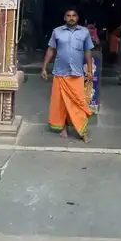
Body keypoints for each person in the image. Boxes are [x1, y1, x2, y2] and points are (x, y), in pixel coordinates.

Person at [41, 9, 94, 143]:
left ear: (77, 17)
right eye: (68, 16)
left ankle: (83, 131)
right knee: (62, 103)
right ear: (65, 18)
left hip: (77, 73)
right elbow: (51, 49)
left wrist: (89, 70)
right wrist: (44, 67)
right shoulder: (57, 31)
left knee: (79, 102)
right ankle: (63, 127)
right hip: (60, 72)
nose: (71, 18)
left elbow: (87, 51)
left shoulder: (84, 32)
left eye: (74, 15)